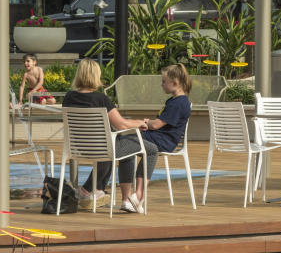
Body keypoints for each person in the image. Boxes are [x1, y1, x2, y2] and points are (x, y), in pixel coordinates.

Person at [61, 58, 154, 214]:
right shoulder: (101, 99)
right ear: (95, 75)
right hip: (103, 149)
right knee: (141, 149)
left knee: (120, 146)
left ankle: (94, 191)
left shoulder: (68, 98)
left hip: (78, 149)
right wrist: (140, 122)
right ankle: (130, 199)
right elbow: (122, 125)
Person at [134, 63, 193, 208]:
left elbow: (156, 125)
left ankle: (136, 195)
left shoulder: (179, 103)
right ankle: (136, 196)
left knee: (127, 138)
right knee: (130, 138)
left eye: (164, 82)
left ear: (175, 83)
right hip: (159, 138)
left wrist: (146, 123)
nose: (162, 85)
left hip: (163, 141)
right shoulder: (174, 101)